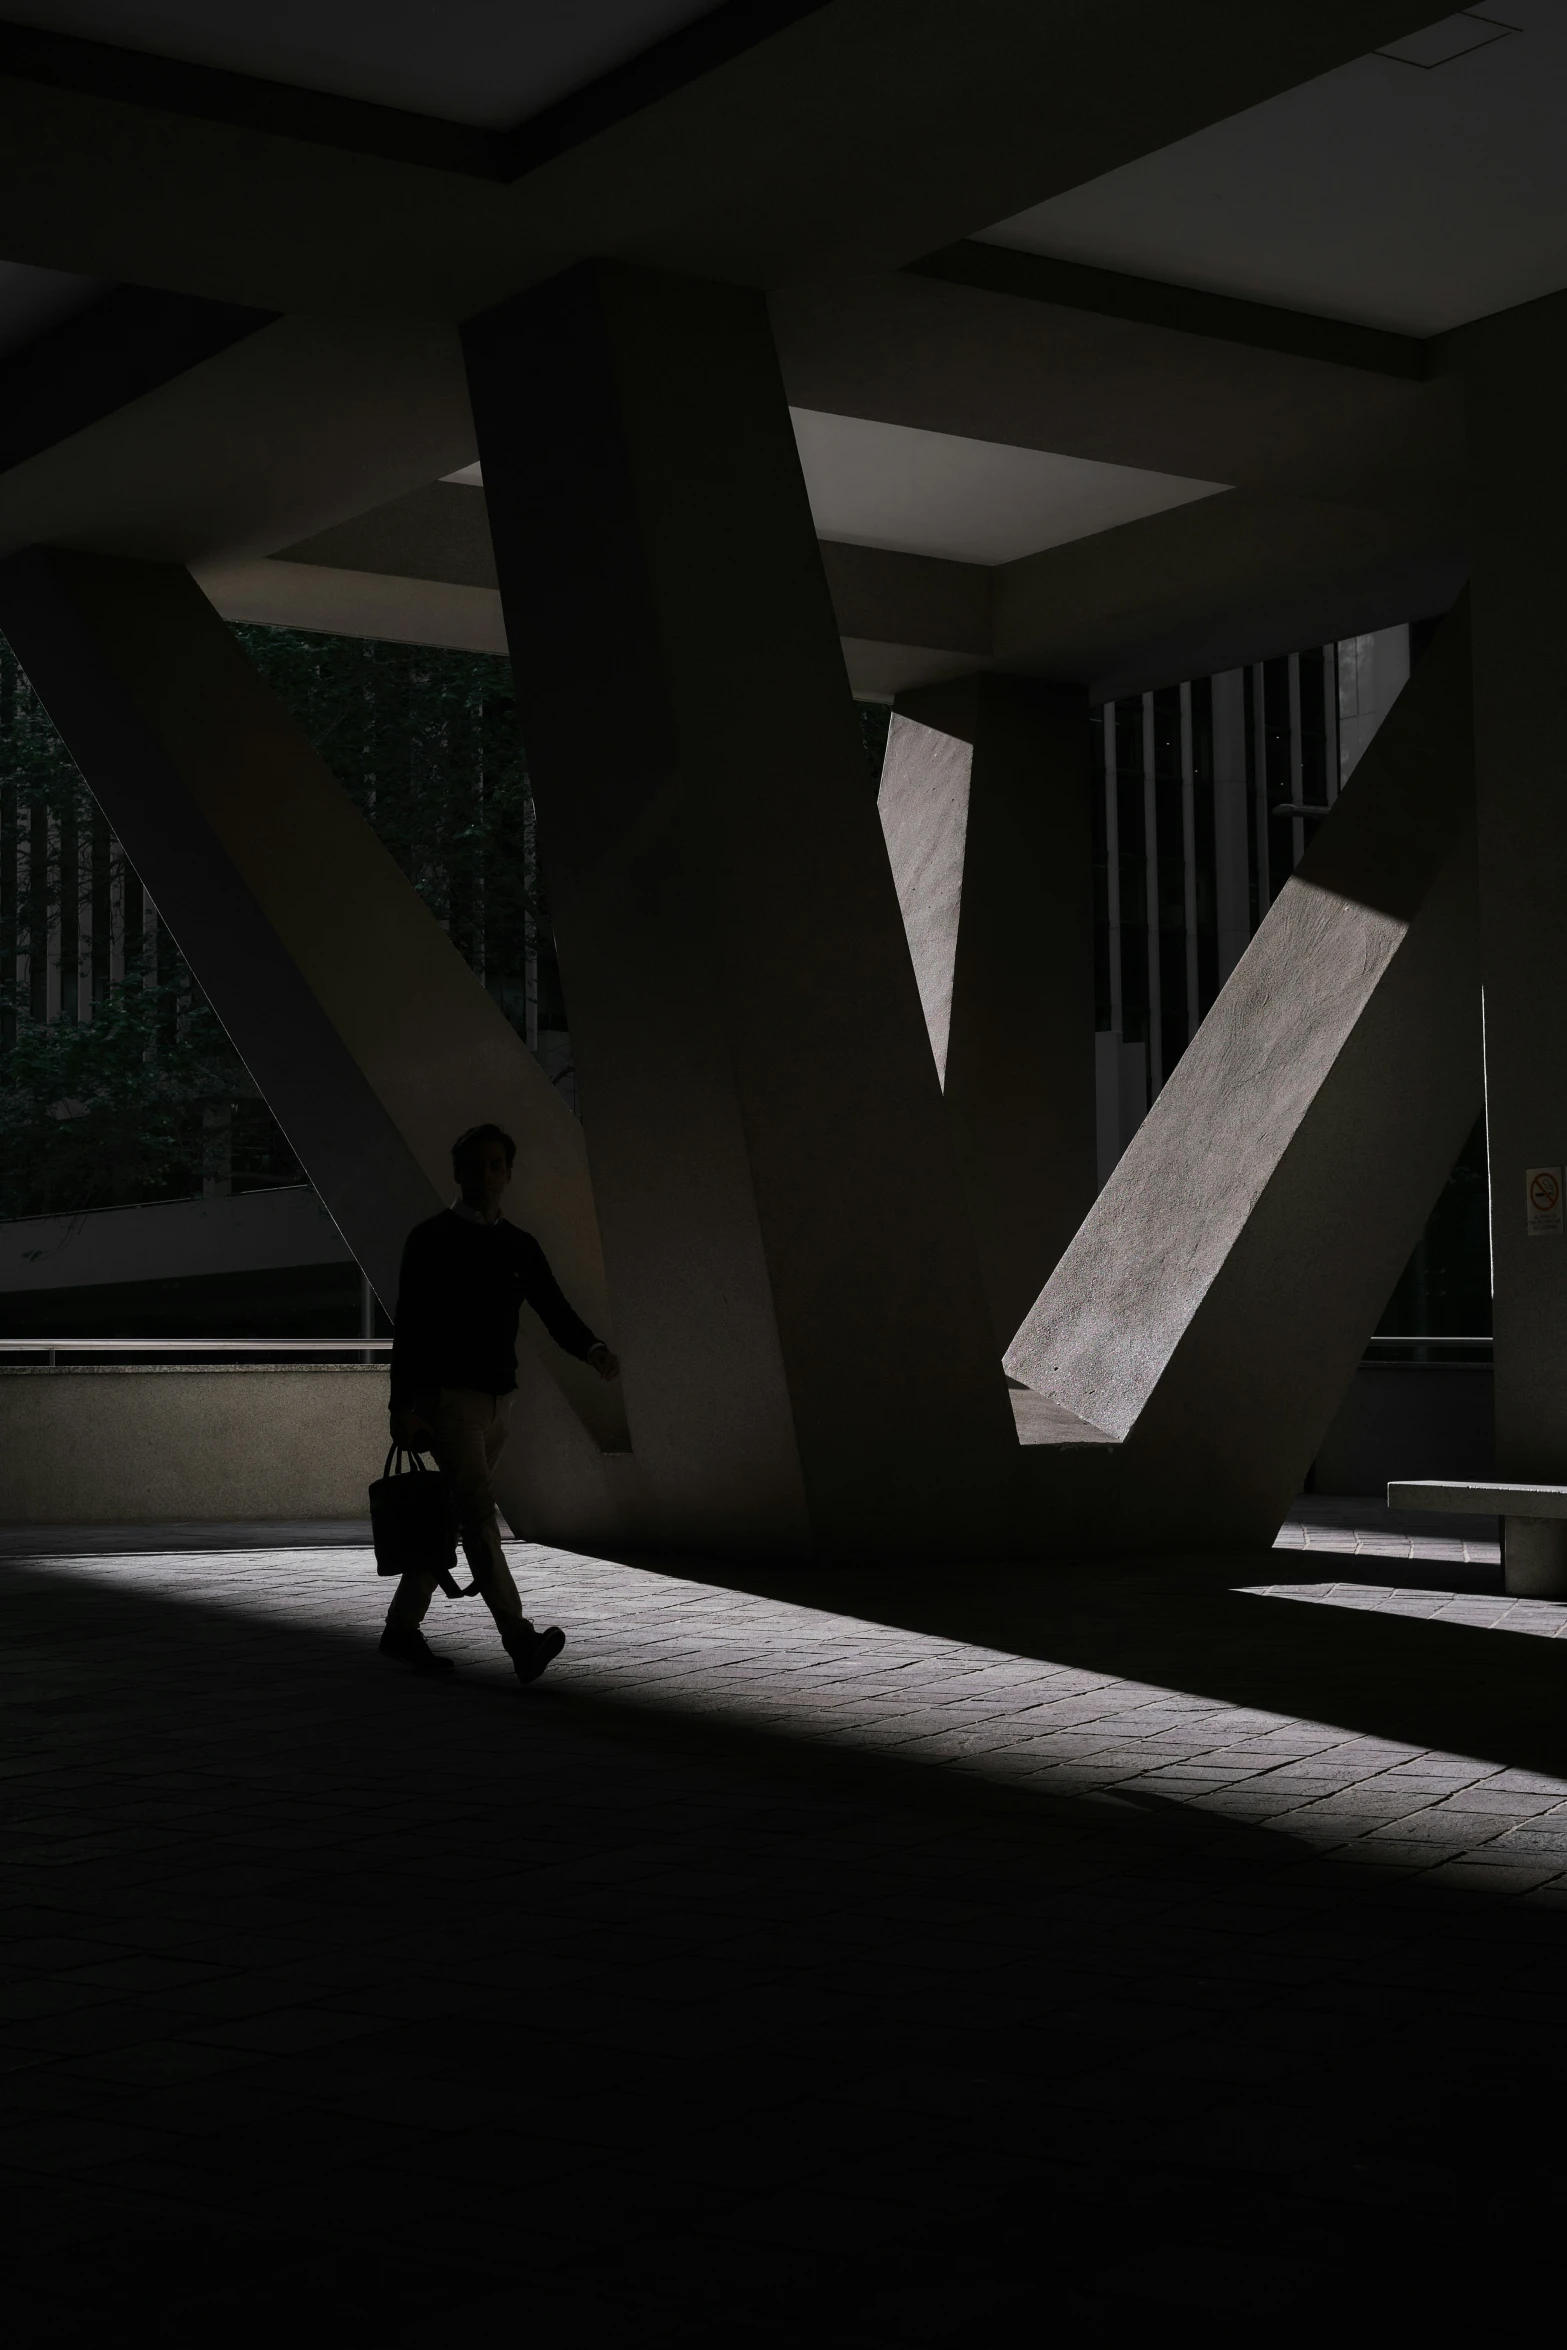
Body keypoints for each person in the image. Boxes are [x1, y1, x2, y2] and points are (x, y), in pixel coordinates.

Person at [381, 1121, 619, 1684]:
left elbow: (553, 1308)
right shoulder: (430, 1239)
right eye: (474, 1166)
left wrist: (592, 1348)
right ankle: (519, 1640)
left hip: (498, 1405)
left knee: (453, 1515)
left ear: (508, 1174)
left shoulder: (519, 1246)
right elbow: (409, 1330)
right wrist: (401, 1406)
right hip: (447, 1403)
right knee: (479, 1518)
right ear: (457, 1173)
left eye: (495, 1165)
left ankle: (400, 1630)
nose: (485, 1176)